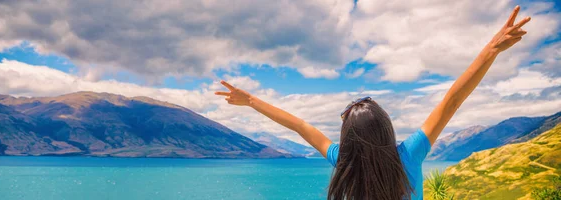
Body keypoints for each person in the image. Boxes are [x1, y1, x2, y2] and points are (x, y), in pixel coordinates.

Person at [215, 6, 530, 200]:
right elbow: (452, 100)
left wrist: (252, 100)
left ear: (347, 140)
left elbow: (300, 126)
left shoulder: (343, 162)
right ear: (386, 130)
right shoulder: (409, 156)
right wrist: (490, 50)